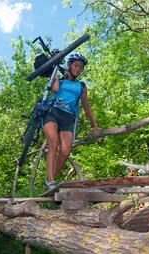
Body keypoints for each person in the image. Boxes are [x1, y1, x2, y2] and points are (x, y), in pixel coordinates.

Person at [43, 53, 98, 191]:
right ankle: (51, 182)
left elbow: (86, 107)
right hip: (53, 112)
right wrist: (56, 76)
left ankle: (50, 178)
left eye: (81, 67)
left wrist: (94, 125)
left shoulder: (82, 86)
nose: (78, 68)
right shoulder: (60, 80)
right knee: (54, 144)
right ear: (69, 65)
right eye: (75, 65)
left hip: (68, 117)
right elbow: (55, 89)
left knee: (66, 151)